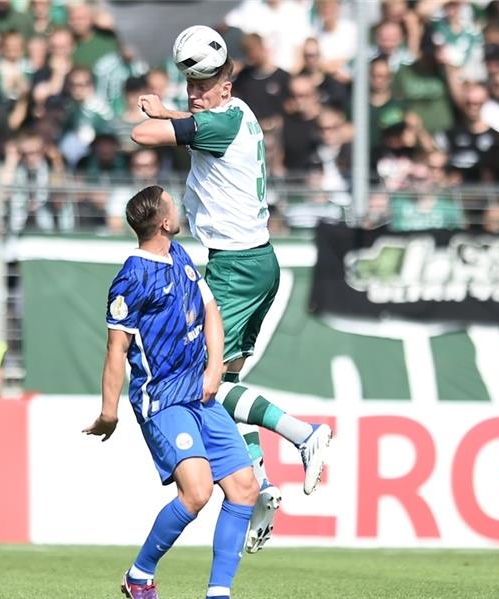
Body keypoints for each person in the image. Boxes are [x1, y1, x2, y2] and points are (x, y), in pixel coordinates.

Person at [131, 39, 332, 554]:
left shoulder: (220, 121)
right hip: (254, 261)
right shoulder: (238, 113)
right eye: (191, 86)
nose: (196, 95)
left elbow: (142, 134)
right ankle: (260, 483)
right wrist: (176, 109)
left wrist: (160, 116)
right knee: (230, 380)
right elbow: (201, 125)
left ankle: (303, 434)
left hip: (234, 267)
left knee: (208, 383)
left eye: (204, 86)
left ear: (227, 84)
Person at [84, 185, 258, 599]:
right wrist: (110, 411)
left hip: (201, 393)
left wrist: (215, 369)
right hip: (162, 400)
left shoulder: (179, 257)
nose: (178, 210)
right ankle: (139, 574)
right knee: (196, 493)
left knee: (244, 488)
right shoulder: (131, 277)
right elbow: (116, 349)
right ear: (164, 221)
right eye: (173, 206)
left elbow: (210, 310)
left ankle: (218, 593)